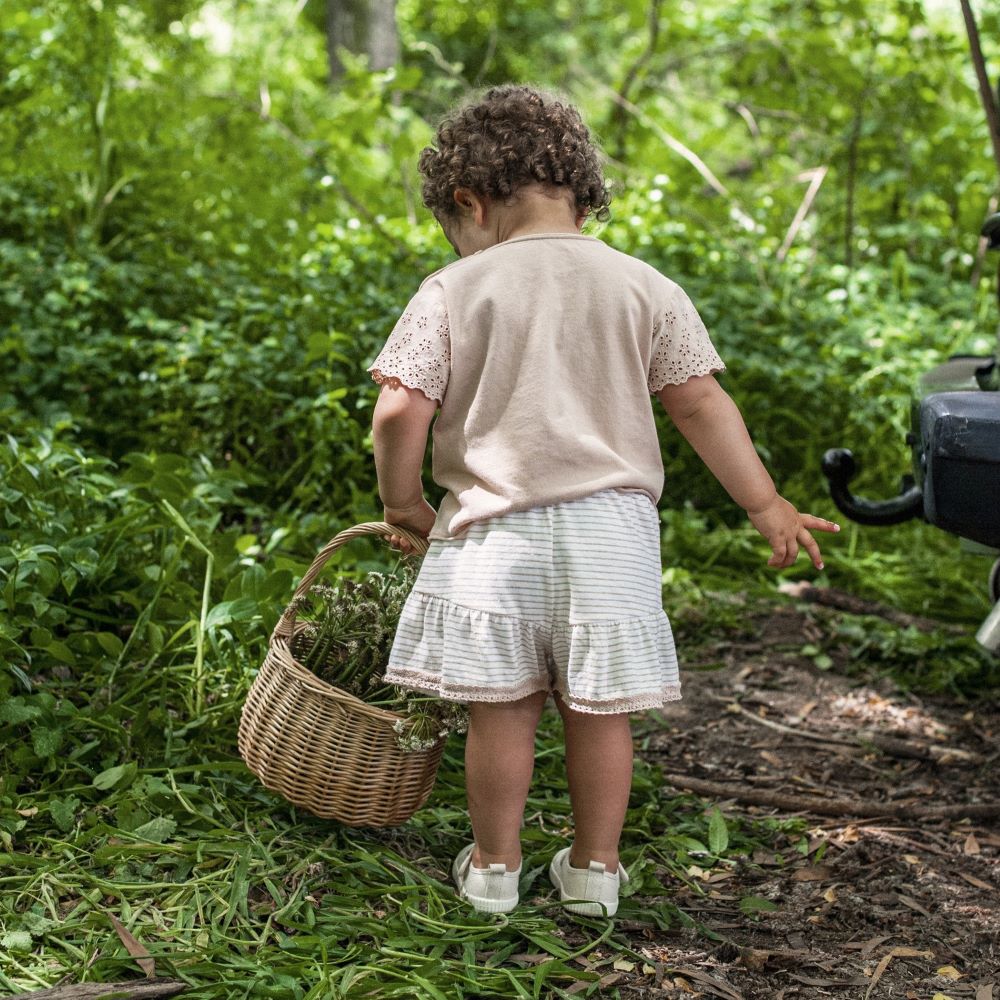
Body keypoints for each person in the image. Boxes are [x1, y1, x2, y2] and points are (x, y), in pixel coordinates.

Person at [367, 83, 839, 917]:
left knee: (501, 711)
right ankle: (594, 872)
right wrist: (766, 503)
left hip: (493, 538)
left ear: (469, 202)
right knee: (598, 711)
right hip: (611, 538)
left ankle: (493, 871)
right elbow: (700, 404)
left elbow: (400, 409)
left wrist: (403, 504)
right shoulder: (644, 286)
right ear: (584, 199)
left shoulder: (454, 289)